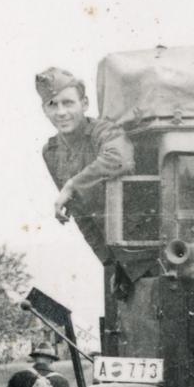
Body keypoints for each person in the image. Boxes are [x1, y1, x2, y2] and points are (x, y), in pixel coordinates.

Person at [37, 67, 134, 262]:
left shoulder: (104, 131)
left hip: (142, 246)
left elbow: (119, 159)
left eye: (68, 103)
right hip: (117, 258)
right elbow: (82, 216)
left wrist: (72, 185)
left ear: (84, 104)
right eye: (52, 105)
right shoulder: (51, 152)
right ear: (45, 110)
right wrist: (109, 263)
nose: (61, 112)